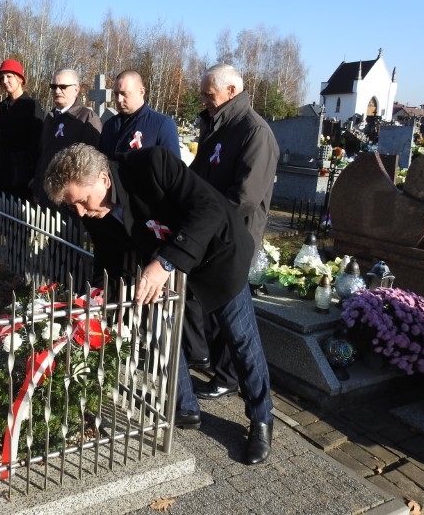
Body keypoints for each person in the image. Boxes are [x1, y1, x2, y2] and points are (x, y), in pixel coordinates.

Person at [43, 143, 274, 465]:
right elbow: (108, 253)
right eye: (73, 206)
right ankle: (185, 407)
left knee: (240, 339)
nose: (80, 212)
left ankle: (261, 419)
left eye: (82, 201)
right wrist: (105, 296)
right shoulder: (92, 208)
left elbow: (208, 208)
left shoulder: (152, 165)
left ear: (104, 180)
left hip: (217, 255)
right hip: (160, 264)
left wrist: (166, 263)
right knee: (164, 335)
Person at [185, 64, 280, 402]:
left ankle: (228, 377)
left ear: (231, 91)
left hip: (235, 236)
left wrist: (204, 221)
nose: (204, 100)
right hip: (211, 231)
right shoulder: (218, 125)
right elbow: (198, 176)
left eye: (209, 94)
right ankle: (211, 363)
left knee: (230, 311)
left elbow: (245, 197)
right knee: (208, 303)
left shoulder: (255, 132)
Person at [33, 68, 102, 207]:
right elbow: (43, 155)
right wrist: (37, 188)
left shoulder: (86, 118)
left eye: (63, 86)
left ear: (76, 89)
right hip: (46, 194)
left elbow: (91, 165)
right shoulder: (50, 117)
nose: (57, 91)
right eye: (54, 86)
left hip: (70, 200)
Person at [0, 59, 44, 202]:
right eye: (2, 78)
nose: (5, 81)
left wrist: (35, 176)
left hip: (23, 176)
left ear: (19, 79)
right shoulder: (3, 106)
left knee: (18, 213)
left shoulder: (31, 105)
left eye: (9, 76)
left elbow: (37, 143)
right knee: (2, 212)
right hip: (2, 173)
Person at [99, 70, 180, 160]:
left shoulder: (162, 125)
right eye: (116, 93)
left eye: (124, 94)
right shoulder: (109, 125)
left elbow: (172, 166)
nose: (119, 99)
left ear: (141, 92)